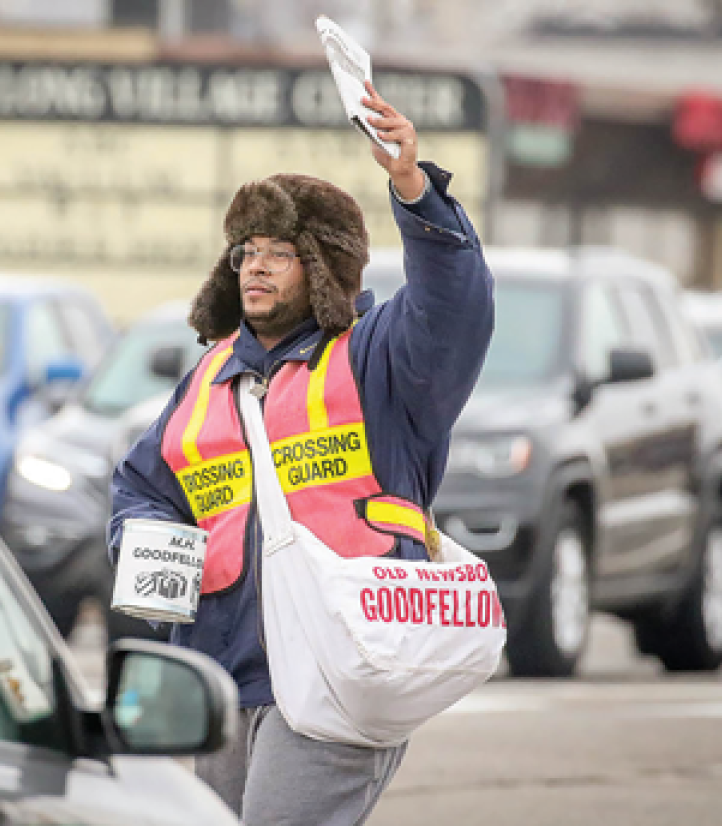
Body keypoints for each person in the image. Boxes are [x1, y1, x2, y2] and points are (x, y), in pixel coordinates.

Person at [107, 82, 494, 825]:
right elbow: (143, 488)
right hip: (223, 678)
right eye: (247, 252)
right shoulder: (211, 375)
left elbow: (456, 303)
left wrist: (412, 187)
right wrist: (151, 555)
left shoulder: (380, 358)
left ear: (321, 266)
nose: (254, 267)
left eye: (279, 254)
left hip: (341, 671)